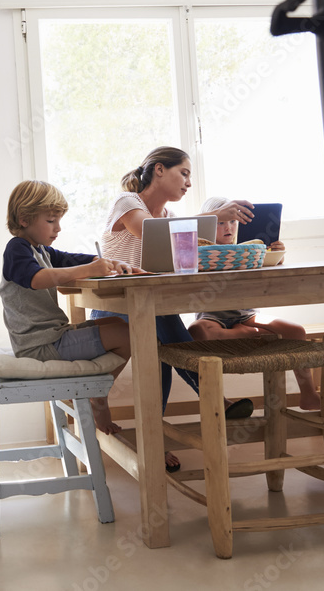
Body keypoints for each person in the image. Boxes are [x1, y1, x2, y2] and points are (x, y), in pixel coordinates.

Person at [92, 147, 258, 470]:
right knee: (162, 329)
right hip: (111, 310)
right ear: (158, 170)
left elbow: (178, 254)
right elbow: (147, 232)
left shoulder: (168, 218)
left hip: (146, 310)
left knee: (162, 347)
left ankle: (152, 436)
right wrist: (214, 216)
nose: (188, 183)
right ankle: (208, 402)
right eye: (183, 173)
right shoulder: (129, 204)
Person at [0, 180, 144, 434]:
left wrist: (108, 262)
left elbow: (69, 259)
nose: (58, 228)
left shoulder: (40, 249)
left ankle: (97, 391)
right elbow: (36, 279)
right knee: (128, 335)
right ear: (24, 219)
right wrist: (89, 269)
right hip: (42, 346)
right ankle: (99, 395)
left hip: (50, 338)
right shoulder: (16, 249)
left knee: (118, 325)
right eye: (51, 220)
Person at [188, 196, 321, 410]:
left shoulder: (250, 250)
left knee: (296, 331)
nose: (228, 227)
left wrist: (277, 254)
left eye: (232, 222)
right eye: (221, 223)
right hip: (213, 316)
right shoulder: (203, 253)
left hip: (248, 315)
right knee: (197, 331)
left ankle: (308, 393)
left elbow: (269, 267)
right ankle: (246, 334)